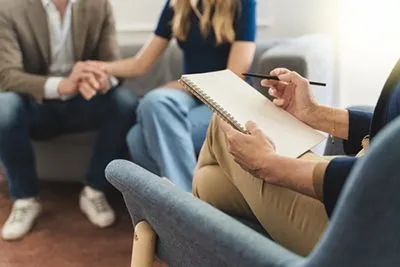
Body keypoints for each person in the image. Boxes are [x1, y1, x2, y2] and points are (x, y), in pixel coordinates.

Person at [193, 59, 400, 256]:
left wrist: (271, 165)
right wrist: (315, 113)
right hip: (367, 173)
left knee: (222, 127)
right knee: (209, 181)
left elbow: (388, 183)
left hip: (373, 220)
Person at [0, 0, 138, 241]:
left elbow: (111, 63)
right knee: (3, 106)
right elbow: (7, 75)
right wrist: (63, 86)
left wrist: (100, 80)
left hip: (82, 103)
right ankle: (25, 198)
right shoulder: (8, 7)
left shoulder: (98, 5)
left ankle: (94, 190)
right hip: (35, 104)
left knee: (125, 101)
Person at [92, 0, 256, 192]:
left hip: (228, 101)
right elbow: (140, 64)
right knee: (153, 101)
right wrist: (98, 67)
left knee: (137, 138)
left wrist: (183, 84)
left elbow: (234, 75)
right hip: (193, 96)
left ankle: (186, 206)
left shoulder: (242, 3)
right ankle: (190, 203)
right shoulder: (177, 4)